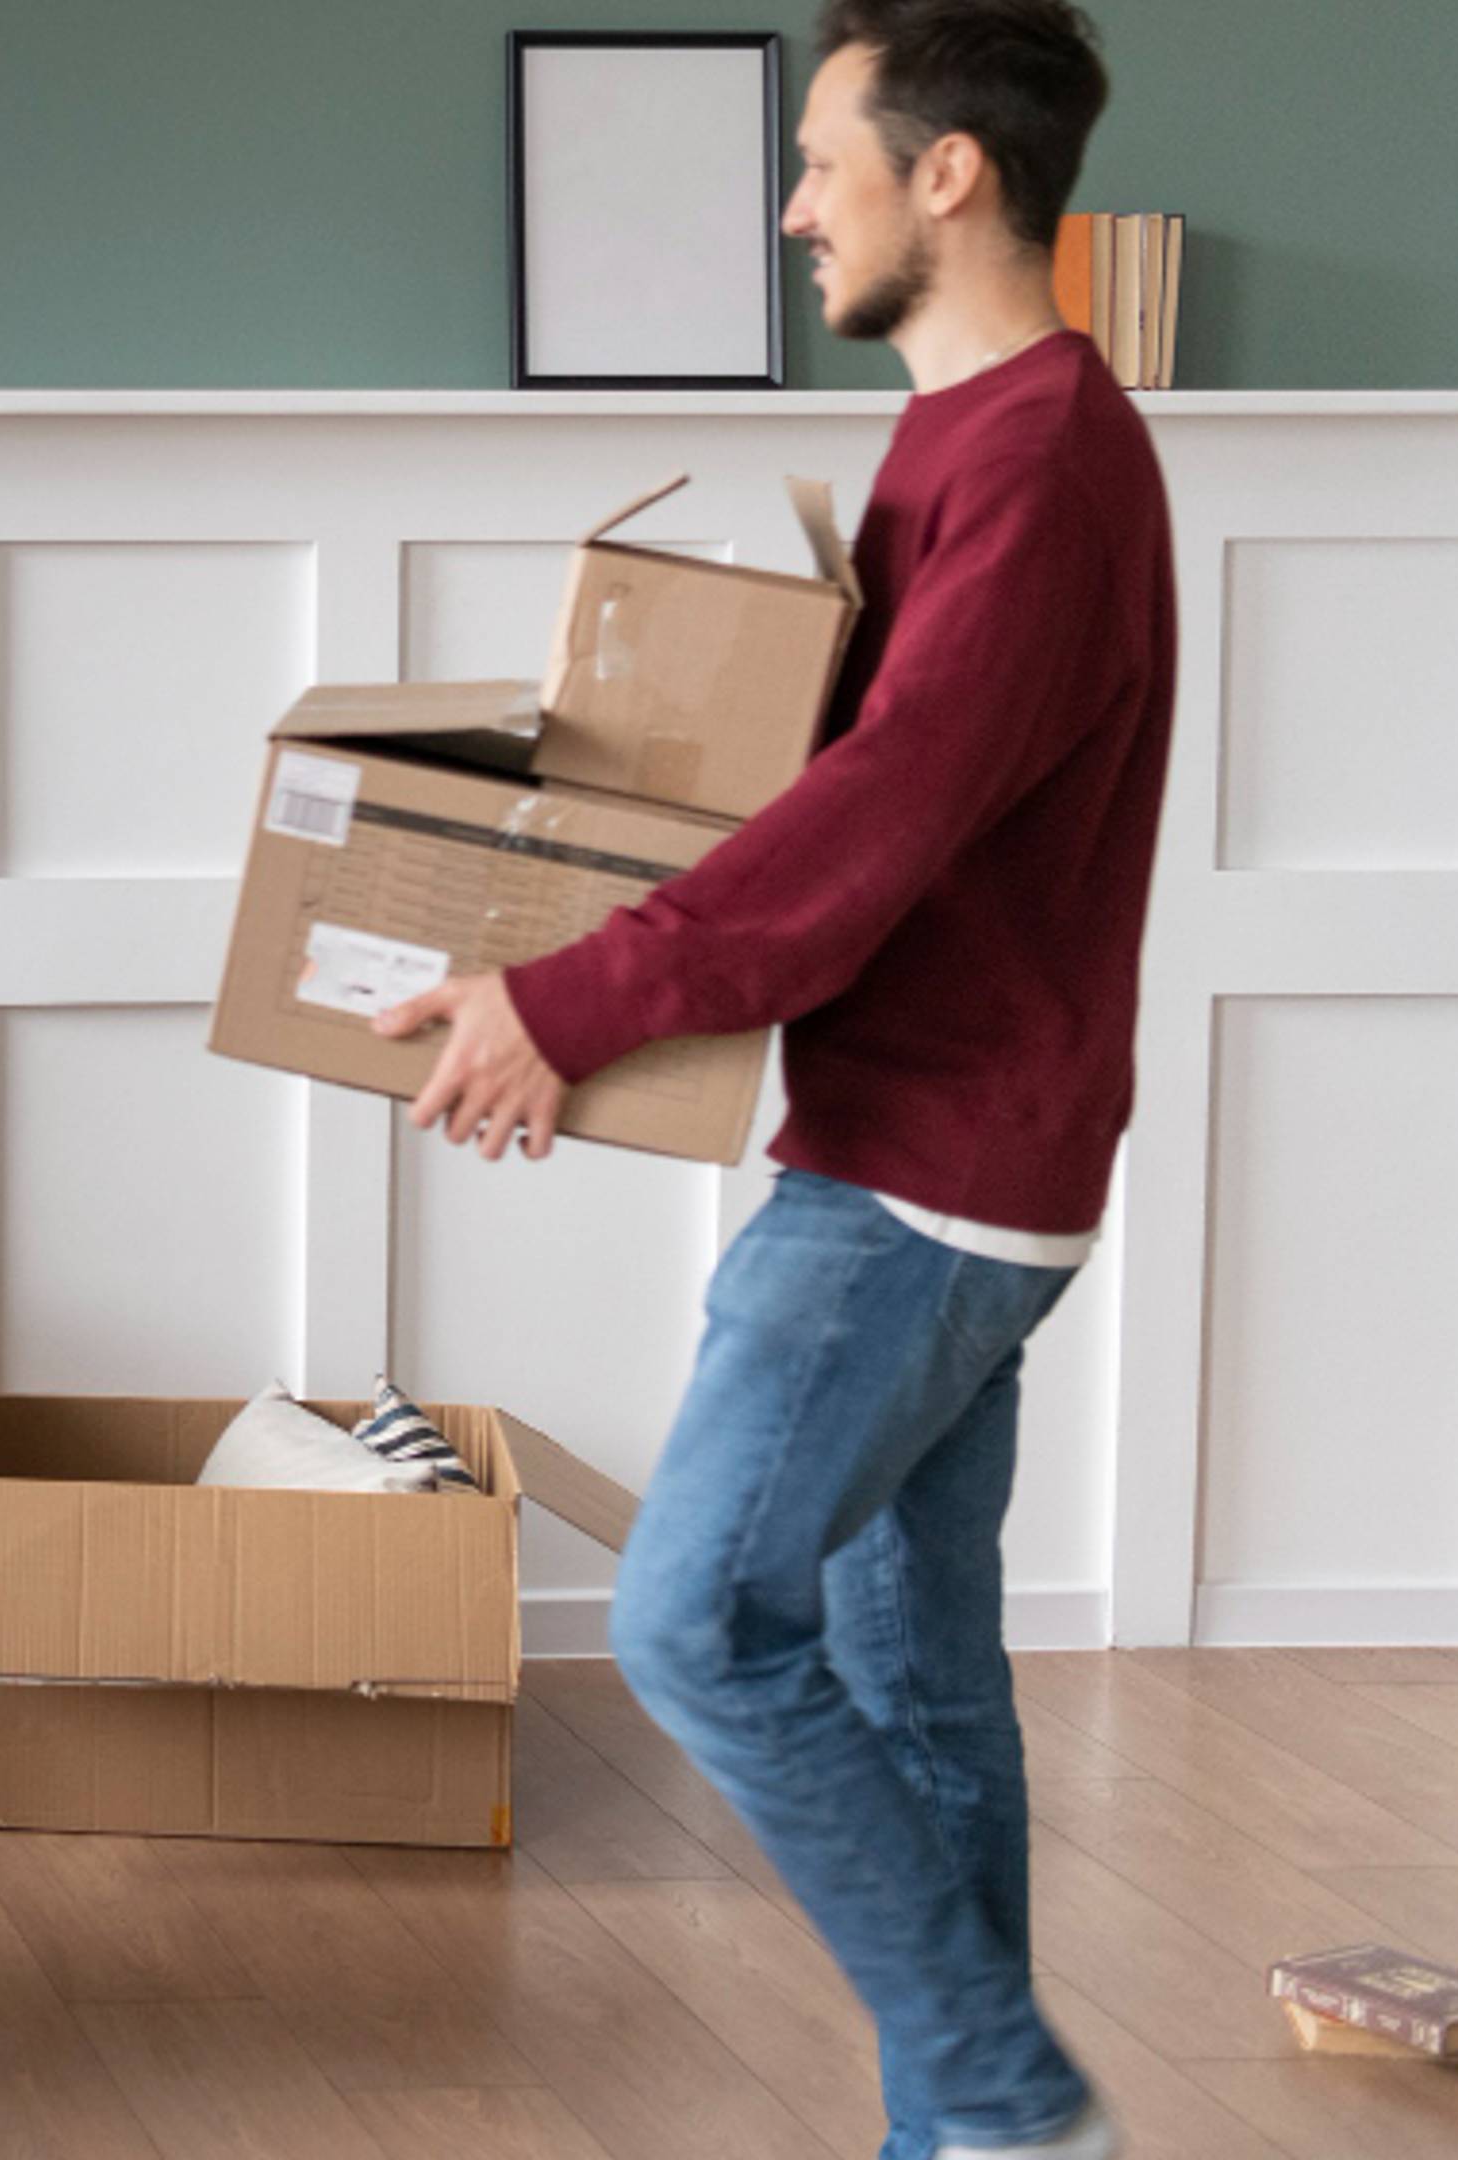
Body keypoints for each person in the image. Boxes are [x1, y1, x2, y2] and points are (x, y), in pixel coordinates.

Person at [374, 5, 1164, 2155]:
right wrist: (552, 911)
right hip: (961, 1144)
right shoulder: (973, 438)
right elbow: (841, 795)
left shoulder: (1038, 464)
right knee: (914, 1693)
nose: (792, 200)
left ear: (949, 177)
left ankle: (999, 2093)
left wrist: (575, 1006)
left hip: (924, 1176)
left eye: (821, 156)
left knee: (698, 1618)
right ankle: (976, 2141)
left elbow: (881, 819)